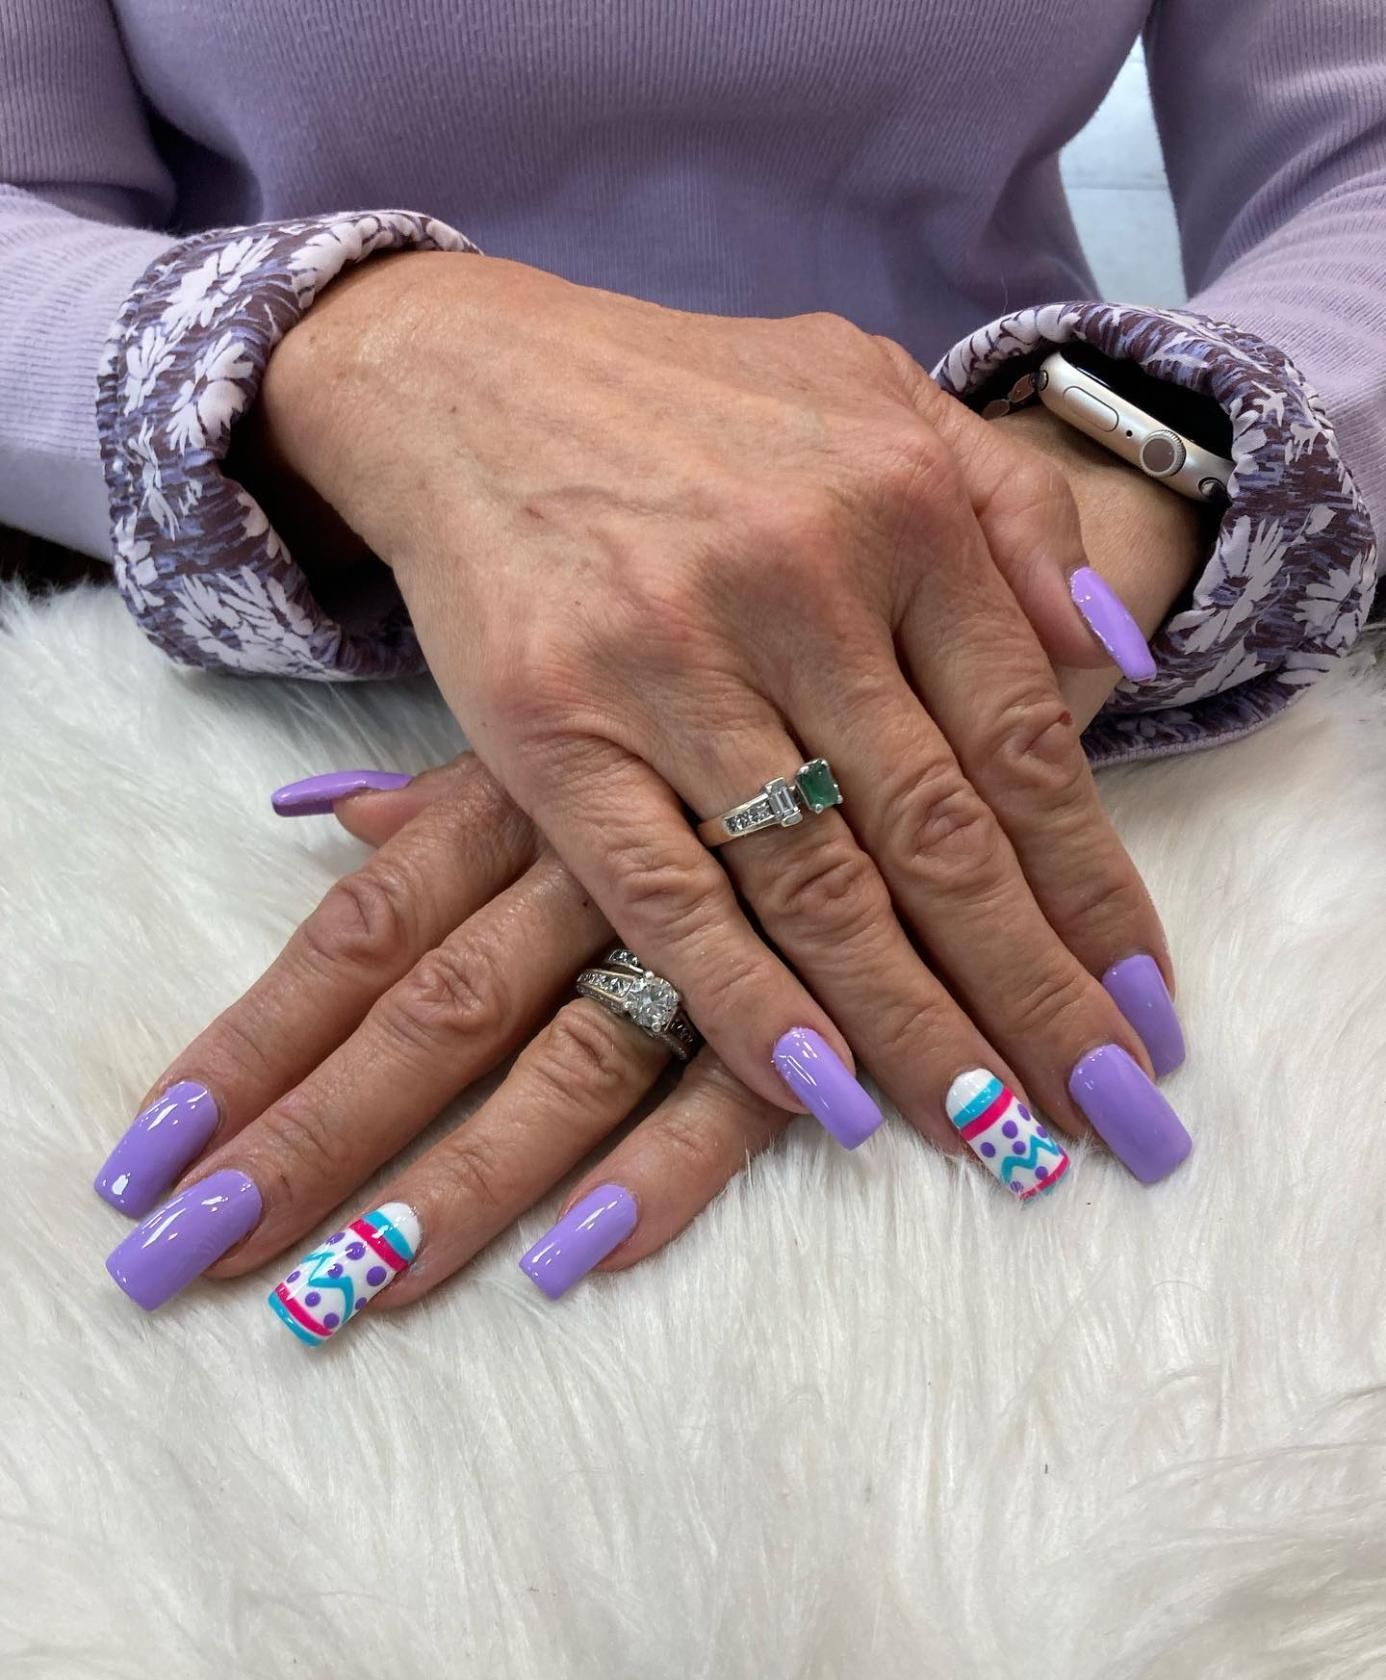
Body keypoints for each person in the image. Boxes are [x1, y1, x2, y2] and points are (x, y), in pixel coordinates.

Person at [5, 2, 1380, 1340]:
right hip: (247, 632)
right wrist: (375, 350)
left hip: (1005, 642)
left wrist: (1125, 460)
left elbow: (1356, 163)